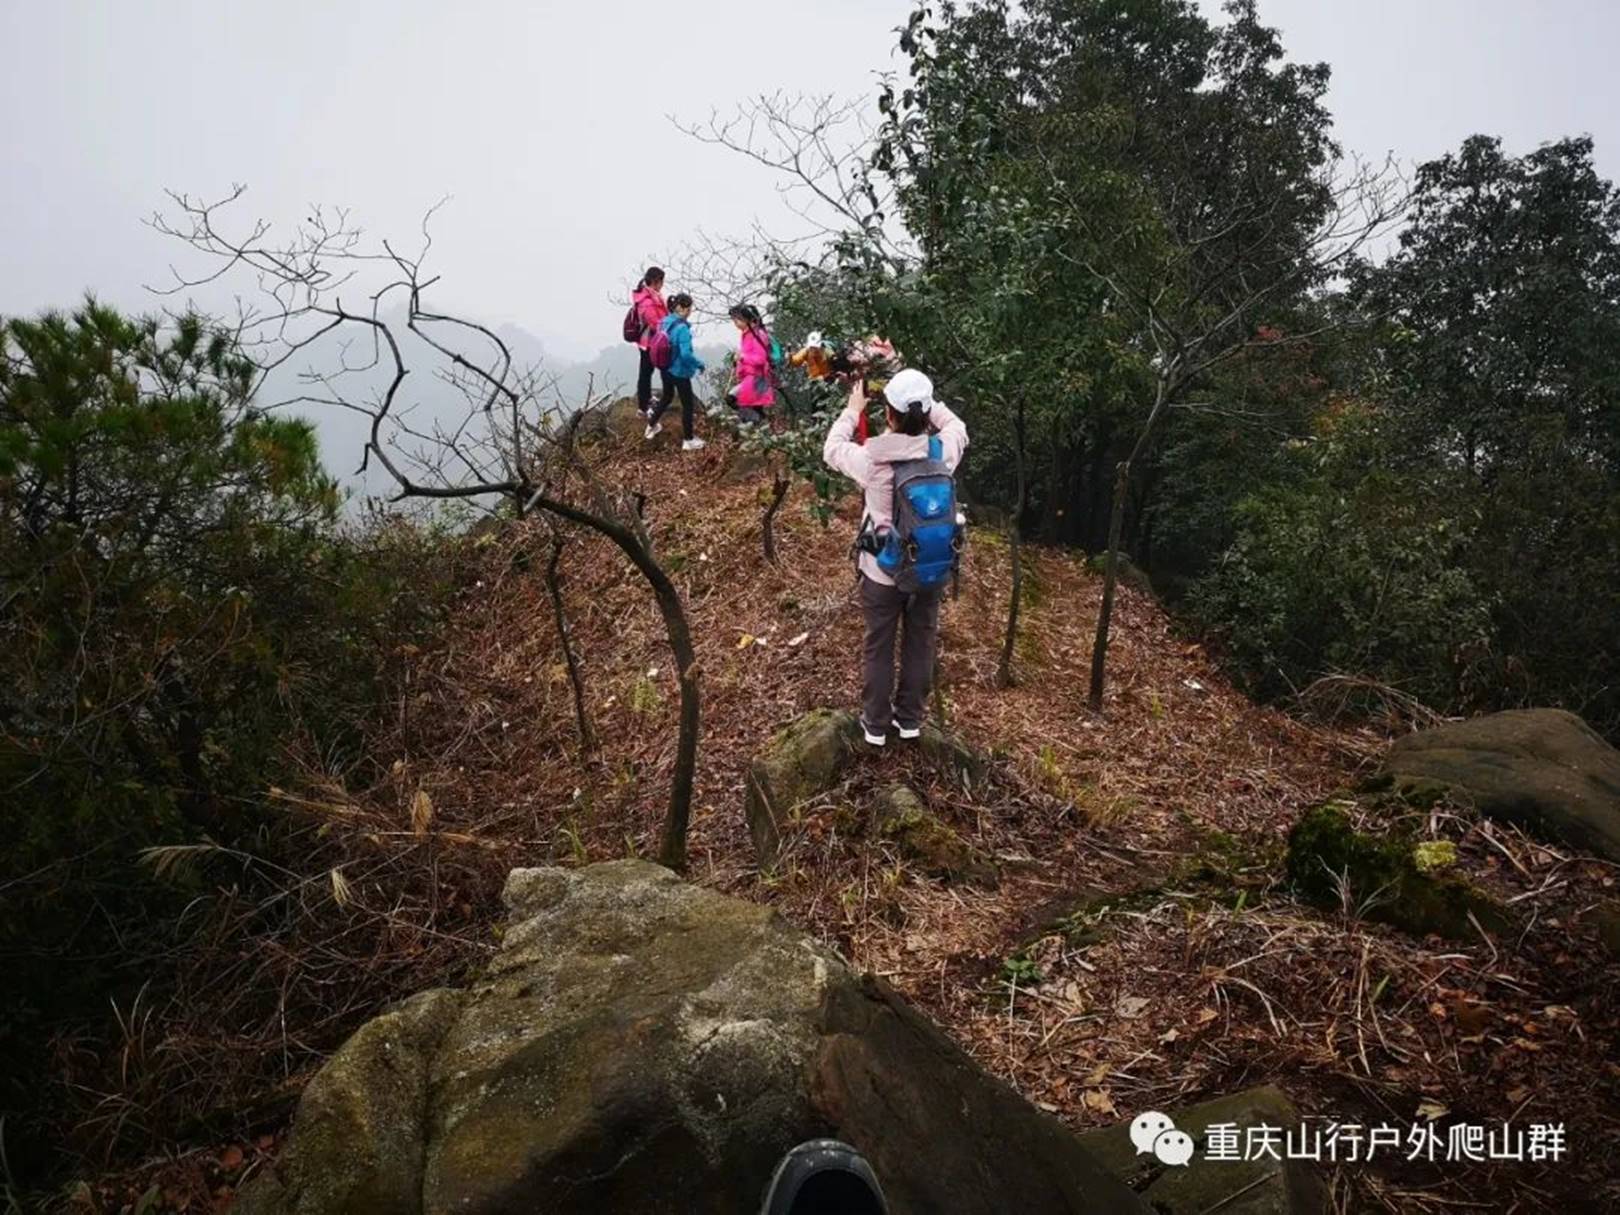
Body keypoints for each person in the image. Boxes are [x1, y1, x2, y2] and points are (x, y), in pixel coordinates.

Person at [823, 368, 968, 746]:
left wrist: (853, 410)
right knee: (921, 641)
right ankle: (910, 721)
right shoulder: (942, 452)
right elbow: (957, 426)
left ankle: (875, 725)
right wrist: (927, 402)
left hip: (882, 572)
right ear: (923, 412)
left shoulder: (873, 461)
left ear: (888, 414)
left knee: (879, 644)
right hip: (929, 569)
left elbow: (832, 448)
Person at [645, 293, 706, 451]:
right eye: (689, 308)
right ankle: (688, 440)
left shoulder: (664, 322)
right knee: (688, 405)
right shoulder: (682, 328)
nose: (690, 311)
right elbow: (685, 354)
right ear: (683, 308)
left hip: (665, 368)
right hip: (679, 371)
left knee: (667, 396)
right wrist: (699, 364)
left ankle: (651, 425)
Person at [632, 267, 672, 417]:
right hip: (650, 342)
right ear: (656, 281)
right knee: (646, 372)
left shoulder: (651, 295)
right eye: (661, 281)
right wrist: (670, 327)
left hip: (652, 341)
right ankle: (643, 406)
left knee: (647, 371)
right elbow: (655, 322)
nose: (662, 284)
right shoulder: (647, 300)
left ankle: (646, 400)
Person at [727, 303, 776, 426]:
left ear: (746, 318)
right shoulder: (748, 334)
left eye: (737, 320)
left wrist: (742, 357)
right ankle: (762, 429)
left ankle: (759, 424)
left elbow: (760, 359)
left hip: (757, 379)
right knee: (755, 408)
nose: (735, 324)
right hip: (751, 377)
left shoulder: (757, 335)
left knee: (732, 398)